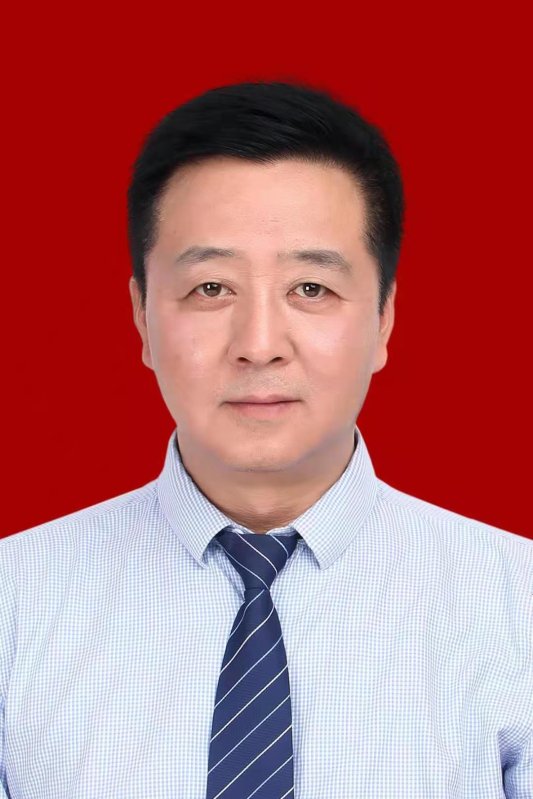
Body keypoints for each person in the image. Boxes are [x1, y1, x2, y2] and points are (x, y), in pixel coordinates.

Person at [1, 80, 531, 799]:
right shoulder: (14, 604)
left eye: (310, 289)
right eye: (211, 289)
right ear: (142, 317)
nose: (258, 344)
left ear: (383, 318)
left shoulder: (514, 607)